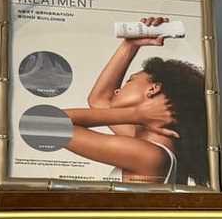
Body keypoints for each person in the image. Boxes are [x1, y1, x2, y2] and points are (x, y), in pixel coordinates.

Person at [58, 18, 210, 184]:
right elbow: (100, 99)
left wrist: (137, 114)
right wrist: (130, 45)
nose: (117, 90)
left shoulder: (150, 155)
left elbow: (46, 124)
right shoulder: (156, 145)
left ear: (153, 89)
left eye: (130, 81)